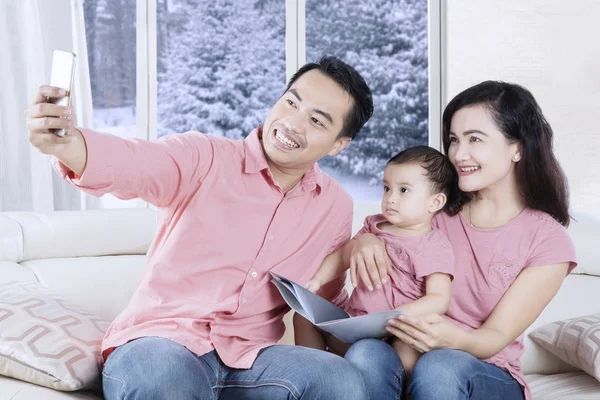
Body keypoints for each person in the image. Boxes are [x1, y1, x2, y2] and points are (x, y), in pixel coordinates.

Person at [25, 56, 374, 400]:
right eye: (291, 103)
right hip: (162, 345)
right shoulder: (204, 157)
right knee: (164, 379)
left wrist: (373, 261)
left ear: (338, 144)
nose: (292, 124)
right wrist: (67, 144)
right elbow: (131, 161)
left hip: (252, 357)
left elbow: (322, 301)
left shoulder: (334, 206)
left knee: (338, 380)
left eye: (316, 120)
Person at [343, 80, 577, 400]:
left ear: (518, 147)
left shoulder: (548, 241)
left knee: (441, 365)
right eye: (454, 139)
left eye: (474, 139)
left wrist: (450, 339)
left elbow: (494, 336)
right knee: (365, 353)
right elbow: (378, 231)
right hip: (409, 356)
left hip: (484, 370)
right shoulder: (434, 210)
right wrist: (365, 241)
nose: (458, 154)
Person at [294, 146, 460, 374]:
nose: (391, 198)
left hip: (397, 332)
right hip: (357, 327)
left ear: (435, 202)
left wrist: (394, 318)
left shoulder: (434, 245)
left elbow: (439, 299)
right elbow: (343, 256)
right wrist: (316, 281)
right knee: (303, 317)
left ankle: (403, 389)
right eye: (386, 188)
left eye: (403, 190)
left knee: (409, 351)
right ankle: (316, 376)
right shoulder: (374, 226)